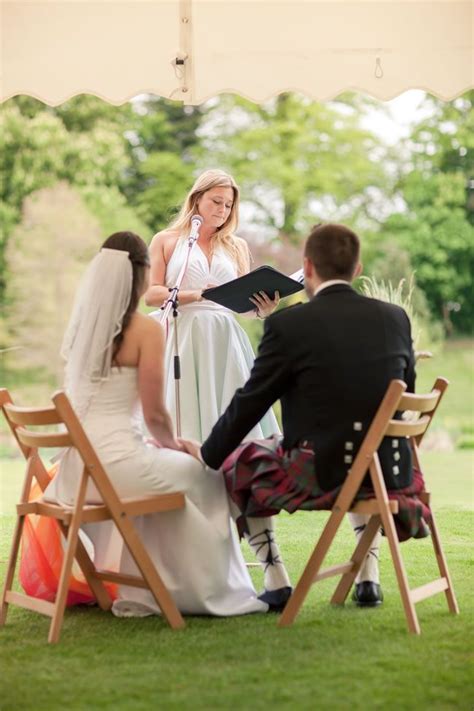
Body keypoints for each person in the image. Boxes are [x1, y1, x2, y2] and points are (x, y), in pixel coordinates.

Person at [183, 223, 432, 610]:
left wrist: (208, 455)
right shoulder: (395, 318)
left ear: (308, 268)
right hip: (391, 473)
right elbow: (407, 393)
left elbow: (249, 403)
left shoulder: (289, 325)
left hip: (321, 473)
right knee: (360, 450)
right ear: (358, 268)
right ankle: (368, 576)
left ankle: (276, 578)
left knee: (242, 460)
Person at [42, 231, 267, 617]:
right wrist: (179, 444)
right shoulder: (147, 329)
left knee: (172, 480)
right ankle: (210, 591)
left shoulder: (81, 331)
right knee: (208, 474)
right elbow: (156, 417)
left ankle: (155, 586)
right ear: (141, 274)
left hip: (75, 473)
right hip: (117, 468)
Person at [144, 169, 280, 442]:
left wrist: (261, 310)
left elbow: (242, 301)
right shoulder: (166, 240)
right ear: (197, 199)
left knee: (230, 409)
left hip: (224, 338)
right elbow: (152, 295)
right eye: (216, 202)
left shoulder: (237, 246)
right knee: (183, 411)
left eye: (228, 205)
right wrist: (197, 295)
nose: (223, 210)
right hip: (182, 333)